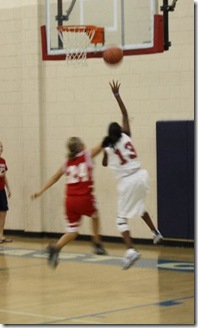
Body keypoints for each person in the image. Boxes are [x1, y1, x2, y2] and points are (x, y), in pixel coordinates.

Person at [102, 80, 163, 270]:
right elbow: (125, 114)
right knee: (139, 207)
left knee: (121, 219)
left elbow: (104, 164)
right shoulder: (127, 135)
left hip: (128, 181)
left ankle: (130, 250)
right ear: (119, 131)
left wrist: (105, 148)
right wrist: (117, 95)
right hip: (142, 176)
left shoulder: (109, 148)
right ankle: (155, 232)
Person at [31, 136, 107, 268]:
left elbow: (54, 178)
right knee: (95, 215)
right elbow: (104, 143)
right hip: (84, 198)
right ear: (80, 146)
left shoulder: (67, 163)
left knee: (72, 231)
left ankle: (56, 247)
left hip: (70, 201)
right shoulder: (87, 155)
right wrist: (119, 131)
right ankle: (97, 243)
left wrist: (40, 191)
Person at [0, 141, 12, 243]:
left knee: (3, 212)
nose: (0, 148)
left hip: (1, 190)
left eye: (1, 146)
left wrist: (8, 188)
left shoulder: (3, 161)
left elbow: (4, 176)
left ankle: (1, 235)